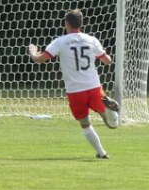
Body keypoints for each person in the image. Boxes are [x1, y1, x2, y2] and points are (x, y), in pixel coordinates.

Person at [28, 9, 119, 159]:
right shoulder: (91, 39)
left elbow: (40, 59)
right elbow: (107, 61)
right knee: (111, 124)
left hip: (75, 91)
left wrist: (32, 52)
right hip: (94, 87)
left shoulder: (60, 41)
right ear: (81, 24)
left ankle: (102, 153)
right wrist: (104, 55)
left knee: (85, 123)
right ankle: (111, 112)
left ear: (66, 24)